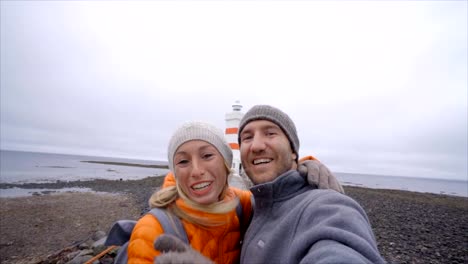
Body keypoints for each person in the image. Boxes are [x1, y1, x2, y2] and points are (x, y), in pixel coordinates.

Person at [155, 105, 385, 264]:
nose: (256, 145)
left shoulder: (326, 206)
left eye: (270, 133)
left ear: (294, 151)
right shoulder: (253, 204)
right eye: (246, 137)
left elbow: (339, 245)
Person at [127, 121, 344, 264]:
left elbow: (277, 198)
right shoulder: (153, 229)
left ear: (226, 164)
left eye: (207, 156)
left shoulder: (240, 205)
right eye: (183, 161)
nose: (196, 171)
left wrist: (300, 167)